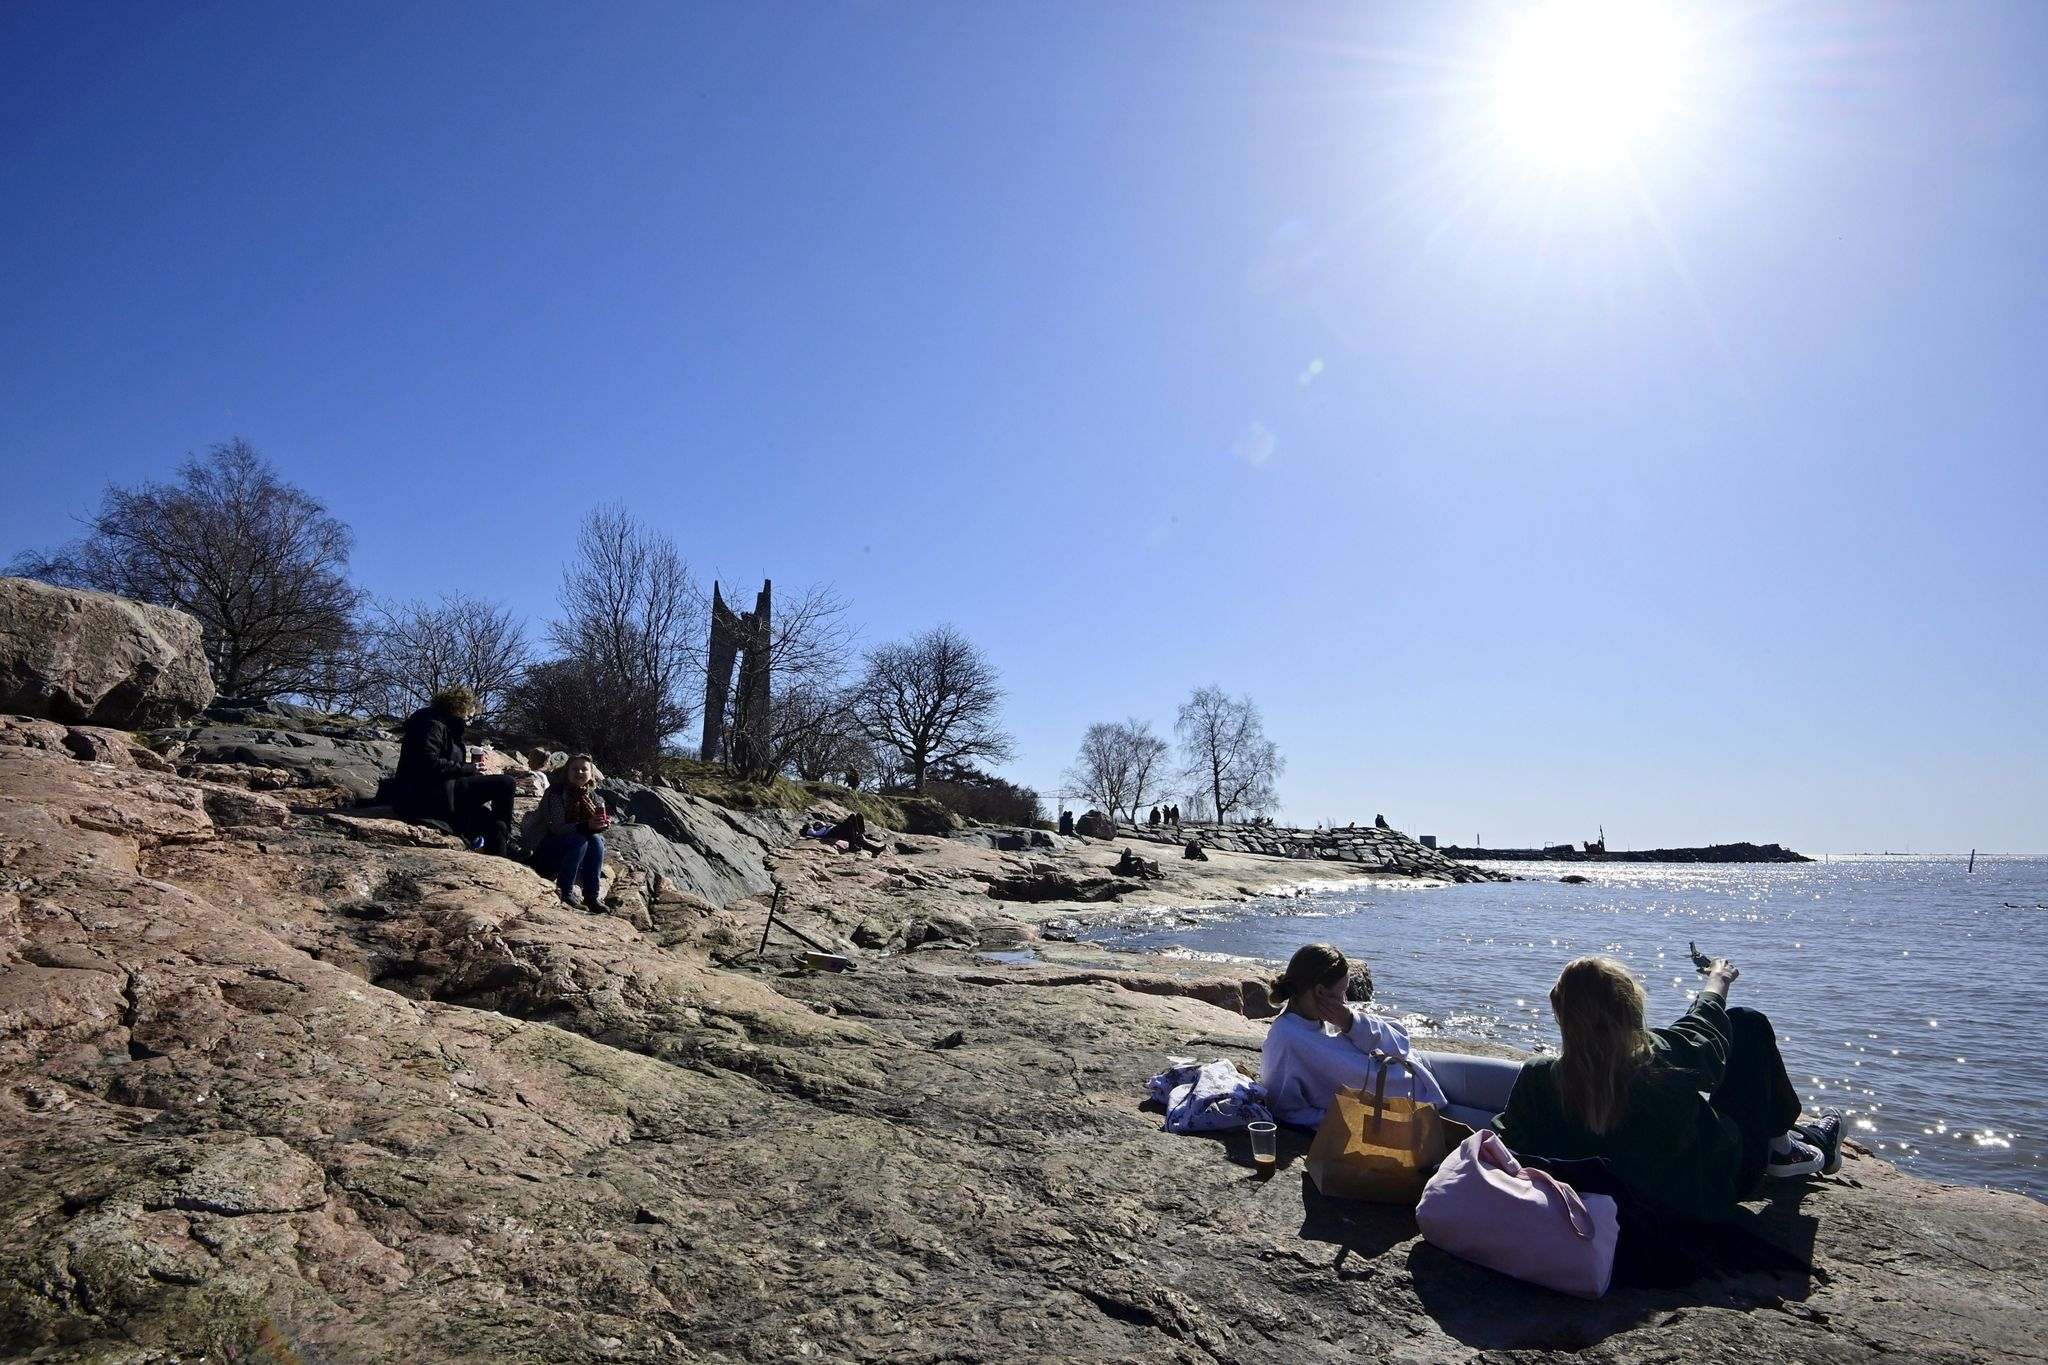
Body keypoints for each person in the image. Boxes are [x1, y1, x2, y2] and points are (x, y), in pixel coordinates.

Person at [1491, 954, 1843, 1224]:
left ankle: (1789, 1143)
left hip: (1607, 1204)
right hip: (1706, 1191)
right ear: (1631, 1009)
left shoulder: (1539, 1077)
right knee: (1746, 1023)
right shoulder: (1658, 1058)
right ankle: (1787, 1149)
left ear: (1560, 1015)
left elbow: (1505, 1144)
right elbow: (1704, 1025)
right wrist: (1718, 979)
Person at [1261, 943, 1447, 1128]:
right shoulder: (1287, 1040)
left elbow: (1401, 1044)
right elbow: (1284, 1110)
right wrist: (1356, 1122)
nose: (1345, 1000)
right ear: (1319, 991)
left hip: (1421, 1067)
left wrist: (1352, 1022)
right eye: (1342, 991)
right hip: (1417, 1104)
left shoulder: (1333, 1018)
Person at [392, 686, 517, 853]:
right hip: (426, 796)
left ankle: (501, 871)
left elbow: (443, 761)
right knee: (505, 783)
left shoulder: (444, 725)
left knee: (497, 826)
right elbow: (426, 763)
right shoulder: (432, 725)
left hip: (443, 790)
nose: (470, 720)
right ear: (458, 707)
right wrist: (468, 768)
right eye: (469, 716)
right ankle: (508, 842)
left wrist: (469, 768)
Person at [534, 754, 609, 908]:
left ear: (591, 774)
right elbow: (557, 827)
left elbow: (591, 828)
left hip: (573, 847)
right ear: (567, 772)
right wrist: (587, 826)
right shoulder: (555, 792)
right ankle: (565, 893)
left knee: (596, 841)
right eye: (575, 769)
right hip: (544, 847)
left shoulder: (592, 796)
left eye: (584, 769)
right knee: (579, 839)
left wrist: (601, 825)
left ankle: (591, 897)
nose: (579, 773)